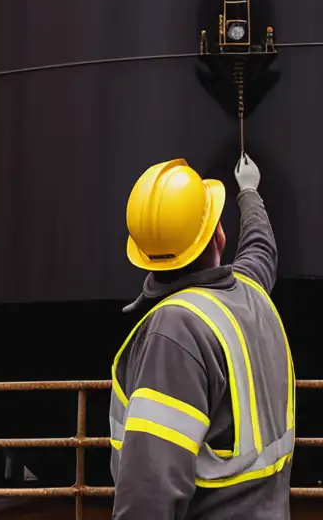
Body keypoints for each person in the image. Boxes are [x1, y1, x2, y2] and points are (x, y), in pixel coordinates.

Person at [110, 154, 294, 518]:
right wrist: (249, 192)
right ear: (218, 235)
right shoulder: (250, 294)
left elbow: (150, 490)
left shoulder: (174, 332)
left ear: (143, 255)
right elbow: (260, 250)